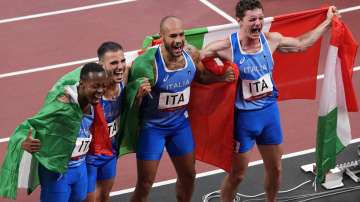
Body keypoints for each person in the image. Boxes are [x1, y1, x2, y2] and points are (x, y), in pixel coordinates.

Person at [200, 1, 338, 201]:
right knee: (237, 175)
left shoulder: (271, 40)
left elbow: (301, 44)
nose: (258, 23)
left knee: (276, 169)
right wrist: (219, 76)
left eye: (260, 19)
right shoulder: (225, 48)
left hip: (269, 116)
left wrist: (327, 22)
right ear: (239, 21)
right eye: (252, 19)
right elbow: (197, 64)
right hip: (244, 121)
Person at [127, 16, 234, 202]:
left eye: (181, 34)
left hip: (179, 126)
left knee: (189, 176)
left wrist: (220, 78)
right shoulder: (147, 63)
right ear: (162, 37)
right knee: (145, 183)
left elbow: (201, 77)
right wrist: (136, 93)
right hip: (153, 129)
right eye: (172, 36)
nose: (178, 40)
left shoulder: (191, 55)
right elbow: (127, 97)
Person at [0, 62, 107, 201]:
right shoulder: (60, 106)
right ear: (82, 84)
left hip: (80, 169)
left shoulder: (92, 100)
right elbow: (29, 124)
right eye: (95, 86)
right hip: (58, 173)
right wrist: (22, 141)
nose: (100, 91)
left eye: (103, 86)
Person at [85, 42, 126, 202]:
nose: (120, 66)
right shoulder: (91, 93)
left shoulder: (124, 78)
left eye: (122, 61)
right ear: (101, 65)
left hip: (110, 152)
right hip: (89, 156)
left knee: (104, 196)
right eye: (114, 63)